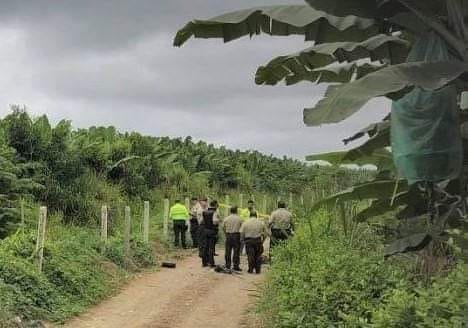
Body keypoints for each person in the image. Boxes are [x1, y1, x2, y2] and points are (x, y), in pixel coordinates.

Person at [222, 206, 242, 271]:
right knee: (236, 251)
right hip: (236, 235)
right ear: (236, 211)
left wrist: (226, 233)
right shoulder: (239, 219)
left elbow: (223, 227)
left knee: (228, 251)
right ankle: (236, 265)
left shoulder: (226, 218)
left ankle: (228, 265)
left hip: (228, 235)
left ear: (230, 211)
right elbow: (242, 228)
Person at [199, 200, 219, 267]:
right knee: (211, 247)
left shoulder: (204, 212)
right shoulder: (214, 212)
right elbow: (214, 222)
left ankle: (204, 262)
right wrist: (218, 221)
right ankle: (211, 263)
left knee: (205, 247)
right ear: (215, 205)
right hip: (212, 231)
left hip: (205, 230)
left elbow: (201, 221)